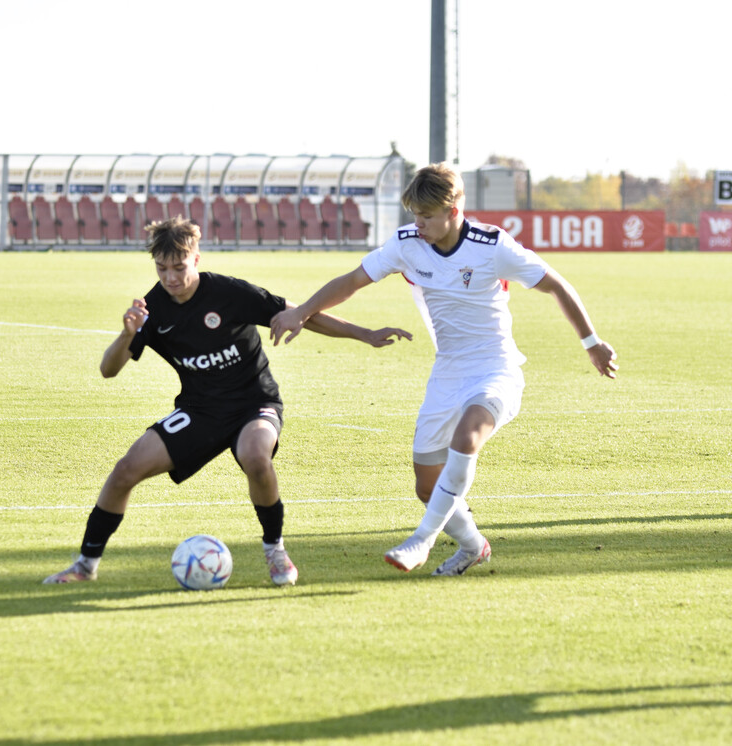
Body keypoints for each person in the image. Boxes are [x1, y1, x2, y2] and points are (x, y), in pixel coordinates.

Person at [270, 163, 618, 576]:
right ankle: (473, 545)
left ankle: (423, 539)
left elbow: (557, 284)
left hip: (496, 368)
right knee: (426, 485)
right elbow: (352, 280)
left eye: (428, 216)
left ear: (455, 210)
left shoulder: (493, 246)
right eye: (414, 214)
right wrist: (304, 312)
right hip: (447, 372)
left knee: (468, 435)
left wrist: (591, 343)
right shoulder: (406, 244)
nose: (418, 224)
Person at [43, 216, 411, 586]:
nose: (170, 277)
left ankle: (275, 550)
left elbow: (299, 314)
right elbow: (109, 369)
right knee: (125, 471)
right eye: (162, 268)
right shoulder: (153, 309)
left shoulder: (229, 293)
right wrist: (127, 335)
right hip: (199, 410)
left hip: (255, 402)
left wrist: (364, 334)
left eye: (179, 267)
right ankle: (85, 565)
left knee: (255, 455)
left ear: (196, 259)